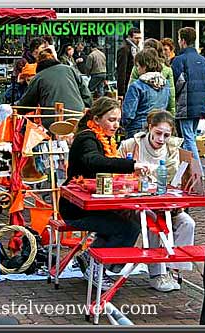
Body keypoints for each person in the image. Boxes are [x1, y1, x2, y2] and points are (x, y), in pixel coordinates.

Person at [58, 97, 150, 290]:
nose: (116, 125)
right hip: (76, 209)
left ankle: (93, 260)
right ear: (97, 119)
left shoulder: (105, 138)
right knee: (127, 228)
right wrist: (131, 166)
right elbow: (94, 161)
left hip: (95, 204)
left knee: (132, 221)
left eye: (118, 120)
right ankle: (95, 264)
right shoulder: (87, 138)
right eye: (111, 120)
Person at [119, 110, 196, 292]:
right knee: (153, 221)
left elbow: (173, 181)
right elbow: (117, 172)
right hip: (135, 203)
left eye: (166, 135)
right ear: (150, 128)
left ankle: (173, 268)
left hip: (164, 203)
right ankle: (156, 273)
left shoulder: (172, 150)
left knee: (187, 223)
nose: (161, 139)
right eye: (158, 133)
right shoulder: (131, 145)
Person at [17, 48, 92, 130]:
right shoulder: (70, 70)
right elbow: (86, 93)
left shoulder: (39, 77)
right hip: (77, 116)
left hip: (52, 121)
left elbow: (27, 103)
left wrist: (15, 109)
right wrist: (85, 107)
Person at [172, 27, 205, 161]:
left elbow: (176, 83)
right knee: (191, 136)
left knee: (188, 139)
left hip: (185, 104)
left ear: (182, 40)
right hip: (200, 104)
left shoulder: (179, 60)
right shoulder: (203, 60)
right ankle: (190, 170)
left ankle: (198, 171)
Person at [122, 48, 170, 138]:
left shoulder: (136, 86)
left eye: (138, 66)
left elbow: (128, 114)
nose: (137, 69)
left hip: (137, 128)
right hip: (158, 127)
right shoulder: (165, 84)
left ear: (144, 66)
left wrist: (123, 125)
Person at [129, 38, 176, 115]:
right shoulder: (167, 68)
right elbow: (171, 94)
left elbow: (132, 92)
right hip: (160, 113)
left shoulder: (139, 67)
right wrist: (171, 113)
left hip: (141, 113)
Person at [117, 27, 142, 97]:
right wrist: (121, 92)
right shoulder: (124, 49)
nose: (138, 40)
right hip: (128, 85)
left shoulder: (135, 49)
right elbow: (122, 71)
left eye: (139, 38)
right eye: (136, 38)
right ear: (129, 37)